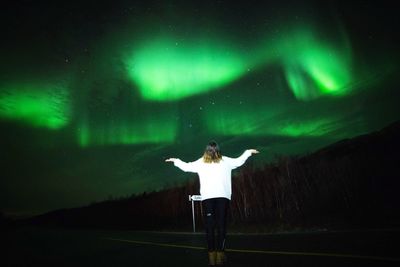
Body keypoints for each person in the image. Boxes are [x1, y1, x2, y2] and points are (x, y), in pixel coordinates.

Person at [165, 141, 259, 266]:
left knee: (220, 226)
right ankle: (212, 256)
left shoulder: (225, 161)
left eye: (213, 149)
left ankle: (219, 255)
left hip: (222, 197)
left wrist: (247, 153)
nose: (212, 151)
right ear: (208, 150)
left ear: (216, 150)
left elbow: (238, 161)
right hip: (210, 198)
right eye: (211, 149)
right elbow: (187, 166)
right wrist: (176, 161)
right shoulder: (202, 162)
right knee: (213, 227)